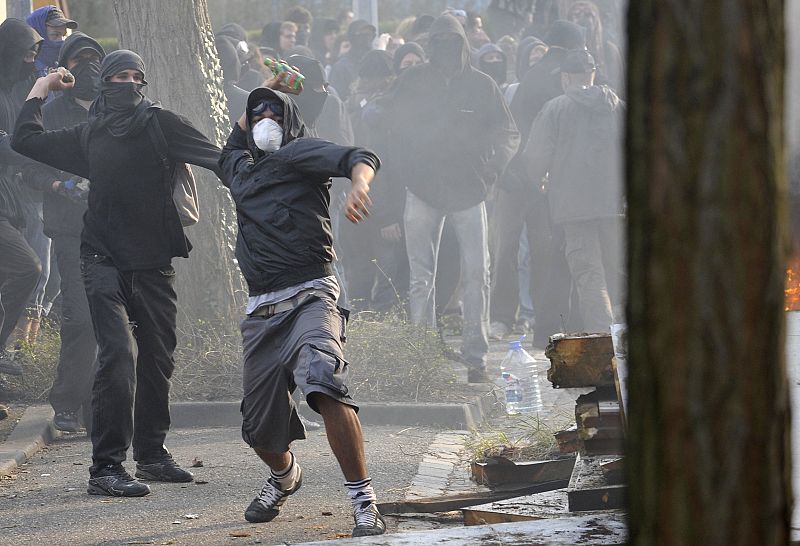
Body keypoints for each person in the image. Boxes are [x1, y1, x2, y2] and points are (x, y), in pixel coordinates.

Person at [12, 50, 226, 497]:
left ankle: (151, 455)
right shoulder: (89, 135)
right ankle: (105, 468)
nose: (128, 84)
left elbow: (219, 159)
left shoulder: (162, 124)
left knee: (159, 356)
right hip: (101, 261)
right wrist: (40, 89)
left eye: (136, 77)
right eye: (119, 77)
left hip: (152, 263)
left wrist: (257, 163)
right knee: (117, 358)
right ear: (106, 84)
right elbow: (26, 140)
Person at [218, 79, 386, 537]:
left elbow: (359, 157)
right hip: (261, 309)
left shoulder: (300, 153)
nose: (266, 122)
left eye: (275, 114)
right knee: (258, 427)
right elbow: (233, 139)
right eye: (259, 116)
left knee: (324, 382)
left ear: (290, 122)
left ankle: (363, 501)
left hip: (312, 293)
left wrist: (358, 187)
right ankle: (284, 475)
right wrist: (262, 92)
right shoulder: (238, 167)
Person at [387, 14, 519, 381]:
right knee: (421, 277)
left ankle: (475, 357)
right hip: (423, 187)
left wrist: (491, 172)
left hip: (468, 190)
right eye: (439, 41)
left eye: (452, 40)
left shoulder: (481, 84)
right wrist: (406, 171)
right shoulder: (413, 80)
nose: (446, 47)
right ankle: (422, 357)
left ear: (462, 43)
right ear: (431, 45)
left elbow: (508, 133)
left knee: (478, 272)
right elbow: (389, 125)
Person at [23, 31, 106, 433]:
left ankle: (104, 405)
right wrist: (61, 185)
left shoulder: (116, 109)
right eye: (79, 59)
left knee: (117, 321)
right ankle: (67, 404)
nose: (87, 66)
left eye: (95, 58)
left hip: (114, 230)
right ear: (65, 66)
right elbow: (28, 168)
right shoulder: (52, 112)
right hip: (71, 230)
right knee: (79, 318)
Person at [489, 20, 585, 347]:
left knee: (539, 250)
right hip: (523, 177)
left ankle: (536, 318)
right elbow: (516, 129)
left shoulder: (545, 77)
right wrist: (514, 172)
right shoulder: (542, 79)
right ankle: (506, 315)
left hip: (540, 178)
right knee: (510, 248)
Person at [522, 49, 625, 332]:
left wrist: (540, 179)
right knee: (623, 270)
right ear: (592, 74)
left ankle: (606, 345)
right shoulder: (618, 107)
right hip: (616, 206)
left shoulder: (555, 108)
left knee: (589, 276)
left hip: (573, 209)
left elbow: (534, 158)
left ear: (566, 78)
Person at [0, 19, 43, 377]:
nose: (33, 59)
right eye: (27, 52)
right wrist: (40, 152)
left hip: (11, 198)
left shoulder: (19, 87)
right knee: (28, 267)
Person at [567, 0, 623, 92]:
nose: (583, 18)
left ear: (597, 22)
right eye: (577, 15)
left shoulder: (609, 50)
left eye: (588, 15)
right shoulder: (566, 50)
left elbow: (618, 83)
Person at [328, 20, 376, 102]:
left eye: (369, 35)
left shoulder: (376, 64)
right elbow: (336, 100)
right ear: (352, 38)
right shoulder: (341, 68)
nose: (366, 39)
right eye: (361, 35)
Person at [25, 5, 76, 78]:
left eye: (64, 35)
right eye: (55, 35)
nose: (61, 40)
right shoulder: (25, 73)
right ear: (38, 34)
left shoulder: (63, 67)